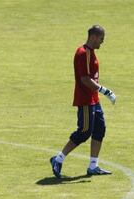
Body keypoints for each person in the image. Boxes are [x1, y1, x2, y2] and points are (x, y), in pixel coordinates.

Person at [50, 25, 116, 178]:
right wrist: (105, 91)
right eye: (101, 38)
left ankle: (93, 166)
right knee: (84, 131)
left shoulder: (90, 52)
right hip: (86, 100)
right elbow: (85, 79)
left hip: (94, 99)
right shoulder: (83, 53)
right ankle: (58, 159)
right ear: (93, 37)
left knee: (100, 129)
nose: (102, 41)